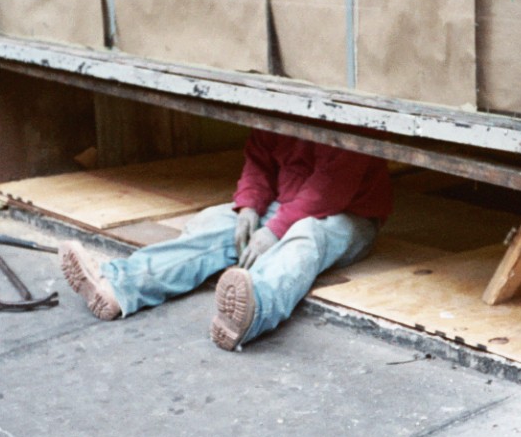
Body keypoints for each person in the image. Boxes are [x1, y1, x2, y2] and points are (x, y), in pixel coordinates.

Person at [59, 130, 392, 350]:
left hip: (348, 214)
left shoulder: (343, 105)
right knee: (219, 222)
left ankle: (253, 310)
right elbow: (258, 164)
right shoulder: (274, 100)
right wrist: (248, 207)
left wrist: (274, 230)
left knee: (305, 238)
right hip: (287, 204)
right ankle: (121, 285)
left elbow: (329, 190)